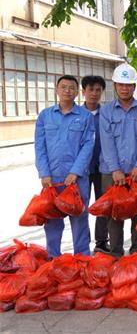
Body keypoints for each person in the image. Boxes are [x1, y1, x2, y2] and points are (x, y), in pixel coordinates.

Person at [35, 75, 95, 258]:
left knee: (78, 218)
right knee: (52, 219)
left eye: (71, 88)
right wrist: (44, 173)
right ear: (57, 89)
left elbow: (88, 145)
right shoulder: (45, 116)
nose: (67, 91)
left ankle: (82, 257)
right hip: (52, 178)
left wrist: (75, 172)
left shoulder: (85, 117)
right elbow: (40, 146)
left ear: (77, 92)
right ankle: (53, 256)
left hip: (77, 179)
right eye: (63, 87)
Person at [99, 63, 137, 257]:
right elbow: (106, 142)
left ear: (134, 86)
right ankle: (116, 254)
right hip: (111, 172)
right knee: (115, 214)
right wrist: (115, 169)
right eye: (121, 84)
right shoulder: (106, 111)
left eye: (128, 84)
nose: (124, 88)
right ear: (114, 85)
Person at [81, 75, 110, 253]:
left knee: (103, 206)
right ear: (83, 91)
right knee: (81, 207)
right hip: (81, 169)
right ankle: (83, 242)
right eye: (90, 89)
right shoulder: (77, 114)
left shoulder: (106, 114)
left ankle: (101, 241)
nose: (94, 93)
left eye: (98, 90)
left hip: (103, 168)